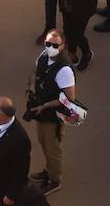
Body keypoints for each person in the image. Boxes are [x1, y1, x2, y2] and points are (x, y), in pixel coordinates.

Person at [25, 29, 77, 196]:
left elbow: (69, 98)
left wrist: (46, 105)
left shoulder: (64, 70)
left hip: (54, 115)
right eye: (48, 44)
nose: (50, 47)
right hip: (41, 110)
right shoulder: (43, 56)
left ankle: (54, 180)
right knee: (43, 142)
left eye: (54, 45)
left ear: (62, 46)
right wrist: (32, 86)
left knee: (53, 148)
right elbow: (35, 72)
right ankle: (48, 171)